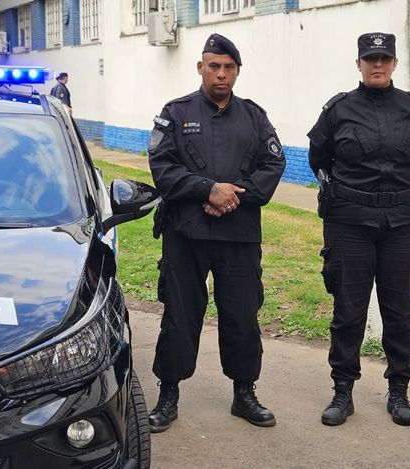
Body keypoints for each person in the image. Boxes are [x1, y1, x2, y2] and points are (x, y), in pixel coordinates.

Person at [147, 33, 286, 433]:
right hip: (186, 234)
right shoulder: (175, 113)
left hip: (239, 235)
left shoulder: (254, 116)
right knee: (180, 315)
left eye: (228, 68)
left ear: (237, 71)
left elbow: (272, 165)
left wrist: (231, 197)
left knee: (242, 316)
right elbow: (163, 167)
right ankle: (168, 394)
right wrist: (208, 190)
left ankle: (244, 393)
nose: (221, 74)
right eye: (214, 66)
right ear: (200, 67)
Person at [307, 32, 410, 427]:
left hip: (404, 223)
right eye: (370, 58)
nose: (377, 64)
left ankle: (399, 391)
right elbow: (319, 157)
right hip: (349, 221)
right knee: (348, 311)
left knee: (400, 312)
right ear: (359, 64)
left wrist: (400, 195)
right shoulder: (338, 110)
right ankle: (342, 392)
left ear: (395, 64)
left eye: (384, 58)